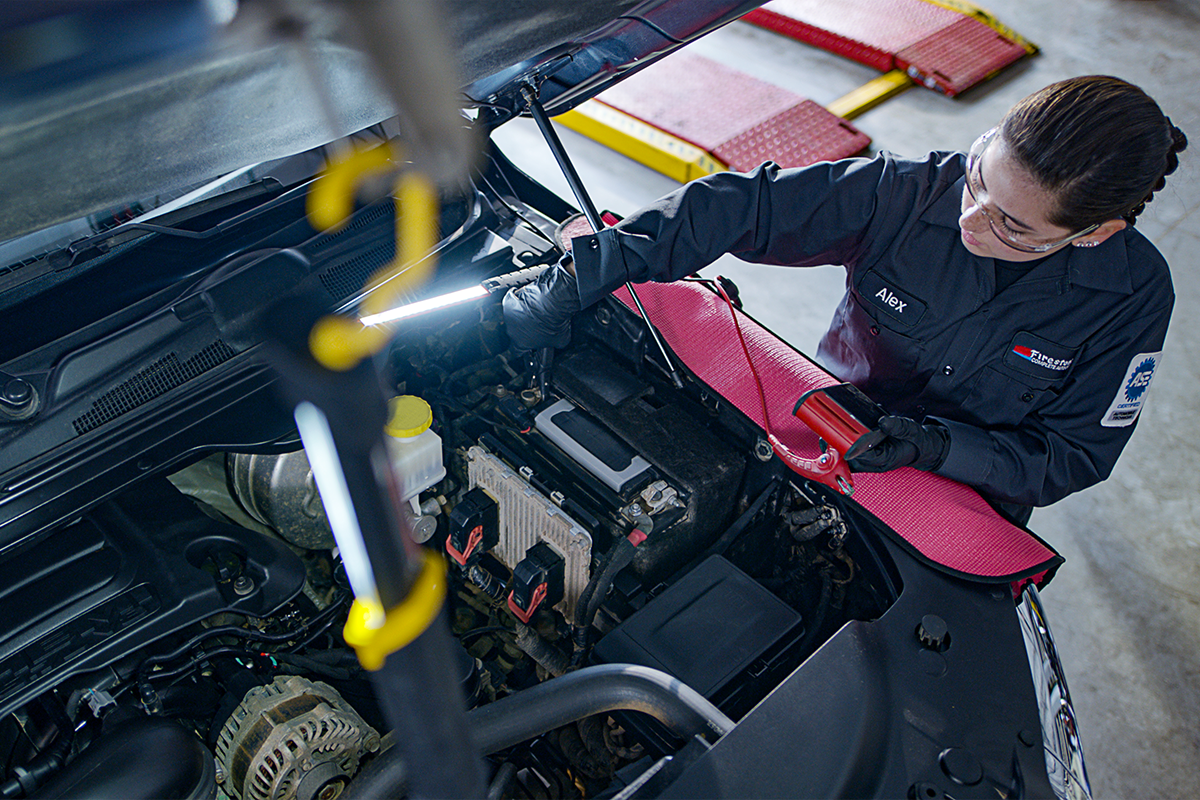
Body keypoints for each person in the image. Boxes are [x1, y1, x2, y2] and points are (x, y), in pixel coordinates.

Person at [503, 76, 1187, 523]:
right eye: (979, 177)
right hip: (821, 431)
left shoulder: (1133, 297)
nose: (970, 217)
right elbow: (741, 208)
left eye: (1012, 225)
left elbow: (1073, 454)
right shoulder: (905, 193)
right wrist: (595, 268)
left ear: (1094, 233)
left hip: (961, 501)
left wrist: (936, 449)